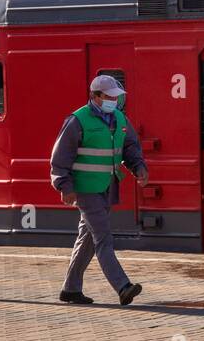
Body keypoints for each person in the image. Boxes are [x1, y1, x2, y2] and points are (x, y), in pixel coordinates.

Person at [50, 75, 149, 305]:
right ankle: (123, 286)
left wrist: (139, 167)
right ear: (95, 96)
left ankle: (71, 289)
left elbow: (130, 146)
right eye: (109, 96)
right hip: (85, 189)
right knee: (103, 238)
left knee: (88, 238)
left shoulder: (119, 118)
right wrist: (64, 186)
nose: (114, 100)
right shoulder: (77, 120)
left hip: (107, 186)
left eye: (117, 97)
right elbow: (60, 157)